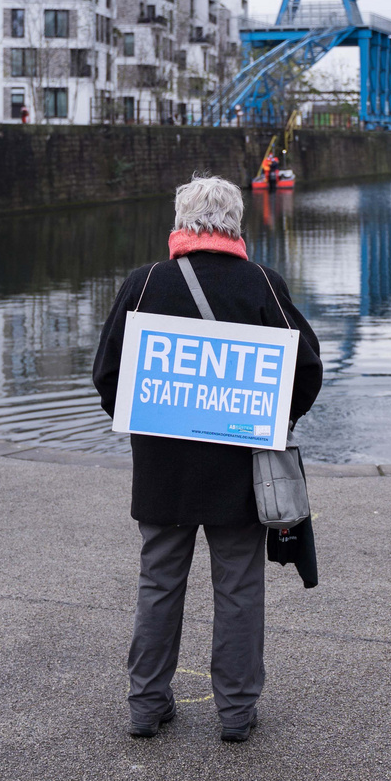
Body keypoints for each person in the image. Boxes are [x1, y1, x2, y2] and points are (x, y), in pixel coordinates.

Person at [93, 175, 324, 743]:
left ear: (180, 222)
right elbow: (309, 367)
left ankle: (146, 705)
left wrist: (148, 420)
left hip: (163, 465)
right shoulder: (261, 285)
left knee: (159, 581)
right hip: (239, 468)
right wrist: (274, 419)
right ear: (235, 224)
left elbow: (106, 375)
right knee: (239, 586)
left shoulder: (143, 284)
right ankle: (237, 713)